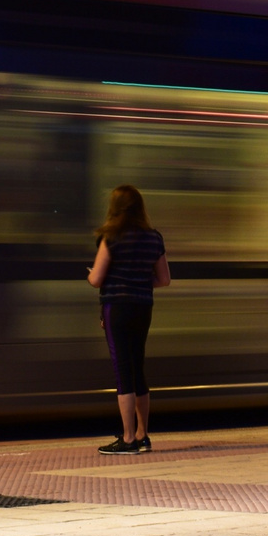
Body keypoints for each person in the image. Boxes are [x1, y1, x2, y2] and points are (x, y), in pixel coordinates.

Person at [86, 184, 170, 454]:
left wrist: (92, 274)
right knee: (137, 367)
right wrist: (138, 281)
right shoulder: (153, 237)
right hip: (143, 307)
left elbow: (97, 278)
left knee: (122, 370)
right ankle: (143, 434)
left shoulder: (110, 237)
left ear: (114, 207)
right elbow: (164, 279)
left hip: (117, 308)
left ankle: (128, 438)